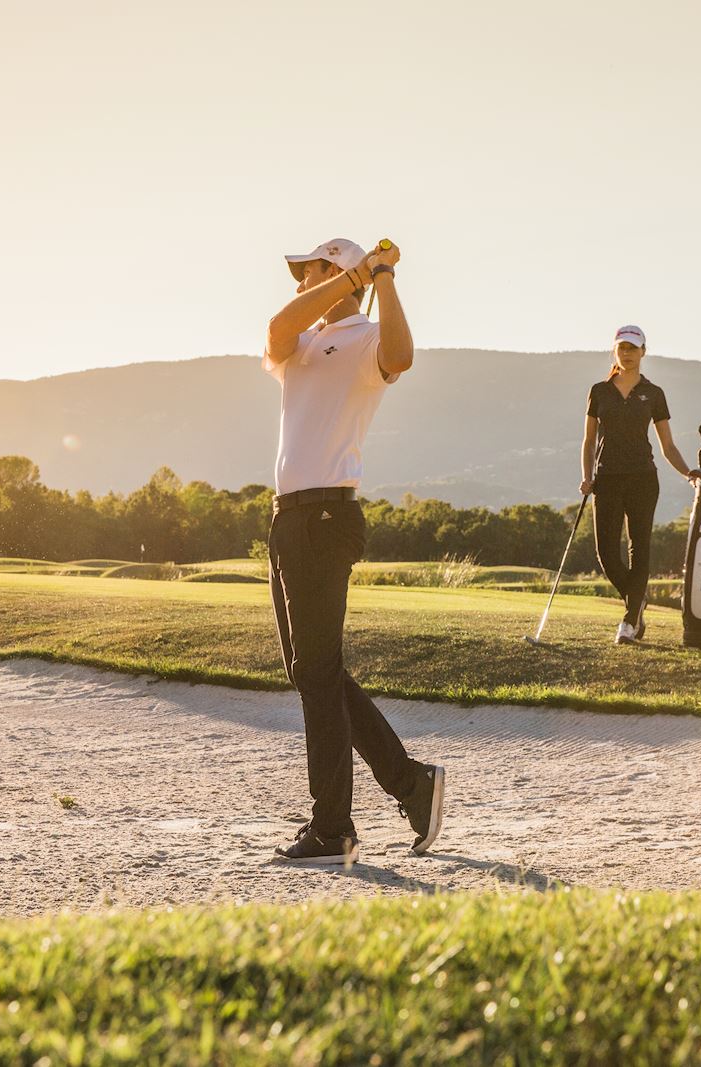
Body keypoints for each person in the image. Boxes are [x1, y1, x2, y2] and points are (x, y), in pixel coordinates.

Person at [261, 237, 445, 865]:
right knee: (314, 672)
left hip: (328, 515)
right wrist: (353, 276)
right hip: (289, 518)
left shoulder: (367, 337)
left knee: (317, 674)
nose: (298, 282)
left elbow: (403, 355)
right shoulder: (302, 343)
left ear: (333, 271)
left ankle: (335, 827)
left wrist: (382, 277)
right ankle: (408, 783)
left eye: (306, 270)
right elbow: (277, 328)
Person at [579, 325, 701, 645]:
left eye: (633, 348)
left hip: (643, 479)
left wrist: (689, 472)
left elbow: (668, 446)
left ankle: (630, 621)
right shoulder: (599, 391)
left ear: (644, 352)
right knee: (606, 552)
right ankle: (638, 599)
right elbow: (589, 441)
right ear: (614, 350)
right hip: (606, 480)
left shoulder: (654, 393)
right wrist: (587, 475)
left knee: (639, 549)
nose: (628, 353)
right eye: (622, 347)